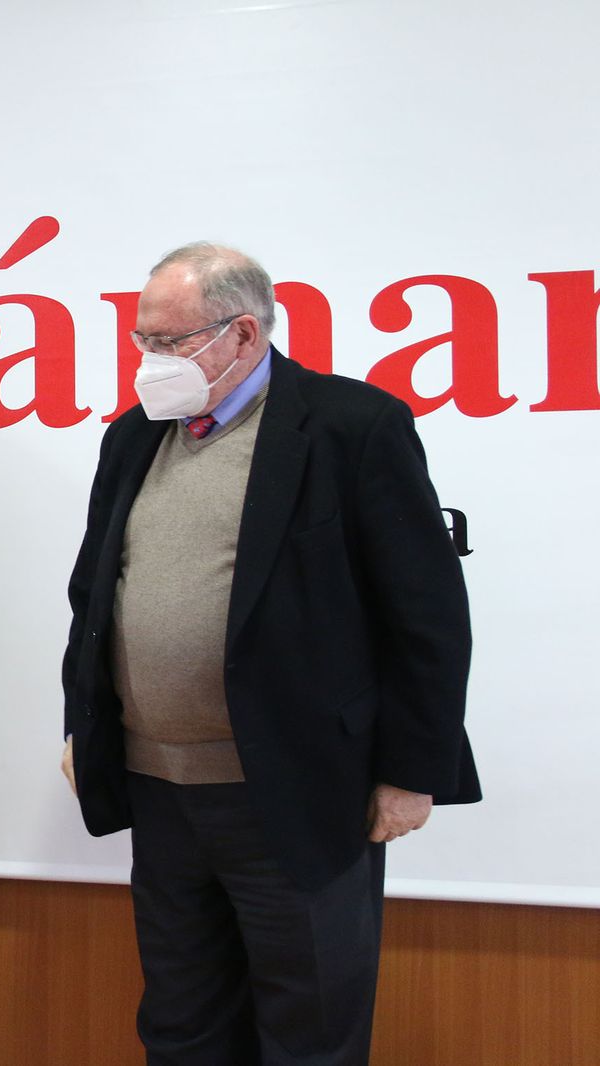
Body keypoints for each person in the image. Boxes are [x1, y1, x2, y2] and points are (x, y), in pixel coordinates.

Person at [60, 243, 478, 1065]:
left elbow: (427, 616)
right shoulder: (132, 439)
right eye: (142, 340)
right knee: (182, 1027)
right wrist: (86, 726)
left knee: (308, 1033)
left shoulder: (353, 427)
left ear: (243, 334)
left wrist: (412, 770)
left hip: (299, 793)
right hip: (163, 796)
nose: (149, 361)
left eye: (169, 342)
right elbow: (94, 599)